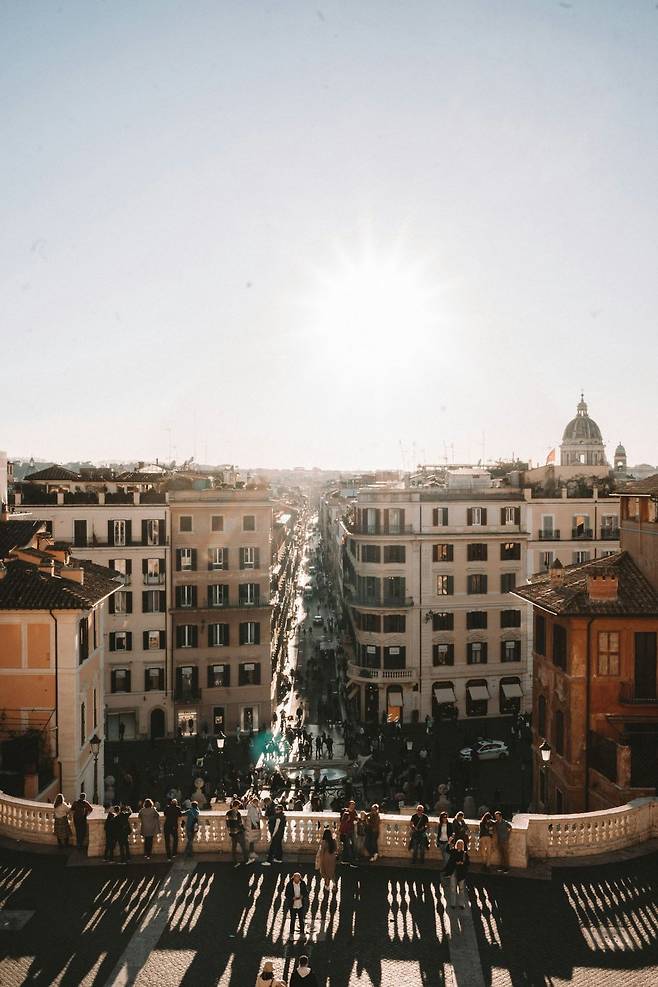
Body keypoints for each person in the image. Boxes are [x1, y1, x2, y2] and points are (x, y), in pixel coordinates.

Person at [445, 838, 469, 909]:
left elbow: (467, 863)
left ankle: (461, 904)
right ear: (456, 845)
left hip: (461, 873)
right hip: (454, 872)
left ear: (462, 846)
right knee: (453, 888)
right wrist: (449, 842)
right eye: (458, 844)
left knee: (461, 889)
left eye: (461, 844)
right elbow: (447, 850)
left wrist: (462, 863)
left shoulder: (464, 854)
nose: (459, 845)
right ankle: (453, 903)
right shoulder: (453, 851)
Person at [284, 872, 309, 942]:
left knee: (301, 920)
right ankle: (291, 934)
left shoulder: (302, 883)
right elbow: (286, 894)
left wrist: (302, 896)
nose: (297, 879)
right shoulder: (289, 884)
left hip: (300, 905)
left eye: (298, 878)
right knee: (293, 920)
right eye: (295, 878)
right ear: (293, 878)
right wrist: (292, 898)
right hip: (293, 906)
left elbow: (306, 892)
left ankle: (302, 933)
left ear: (300, 878)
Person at [226, 800, 249, 867]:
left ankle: (235, 861)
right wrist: (244, 830)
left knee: (234, 847)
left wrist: (230, 831)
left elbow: (227, 823)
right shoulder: (237, 813)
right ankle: (246, 860)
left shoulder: (228, 813)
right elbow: (240, 824)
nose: (239, 807)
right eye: (238, 806)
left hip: (232, 833)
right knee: (243, 847)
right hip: (239, 832)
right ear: (237, 806)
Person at [246, 796, 262, 863]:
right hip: (252, 825)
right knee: (251, 839)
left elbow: (259, 815)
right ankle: (251, 852)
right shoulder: (252, 808)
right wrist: (255, 825)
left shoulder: (255, 808)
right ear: (254, 802)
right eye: (257, 803)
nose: (258, 804)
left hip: (254, 824)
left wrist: (259, 809)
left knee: (253, 839)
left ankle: (252, 852)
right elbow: (252, 817)